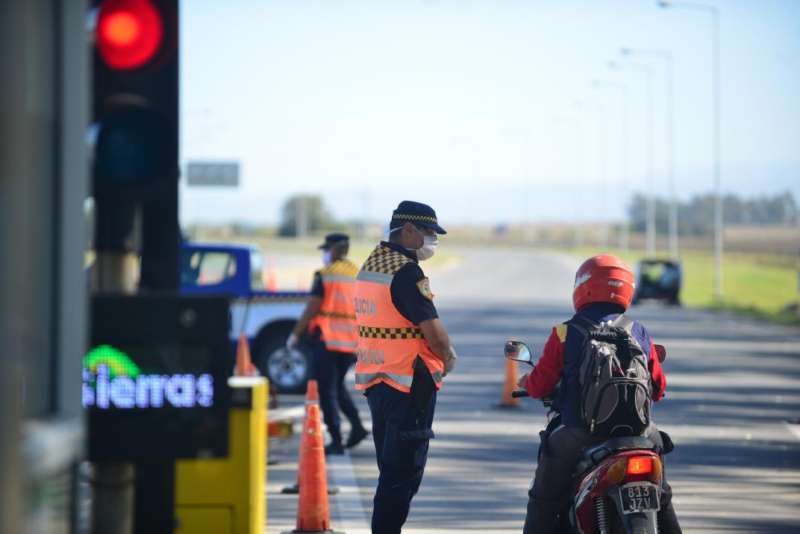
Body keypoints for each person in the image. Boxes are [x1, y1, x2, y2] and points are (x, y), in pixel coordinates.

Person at [518, 254, 682, 534]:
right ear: (627, 289)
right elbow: (659, 388)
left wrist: (525, 382)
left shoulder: (564, 333)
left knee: (544, 499)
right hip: (639, 434)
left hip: (580, 432)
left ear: (583, 287)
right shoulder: (639, 332)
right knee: (662, 496)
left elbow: (541, 384)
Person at [354, 200, 457, 534]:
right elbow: (435, 334)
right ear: (409, 230)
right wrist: (448, 358)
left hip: (376, 380)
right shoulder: (407, 272)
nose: (432, 241)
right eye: (428, 233)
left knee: (390, 470)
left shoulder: (373, 263)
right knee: (402, 477)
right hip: (409, 383)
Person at [287, 232, 368, 455]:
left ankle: (336, 440)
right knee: (337, 387)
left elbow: (312, 307)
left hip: (328, 340)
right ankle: (358, 427)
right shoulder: (359, 274)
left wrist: (295, 334)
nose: (324, 254)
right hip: (352, 342)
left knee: (327, 391)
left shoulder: (324, 275)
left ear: (332, 250)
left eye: (326, 250)